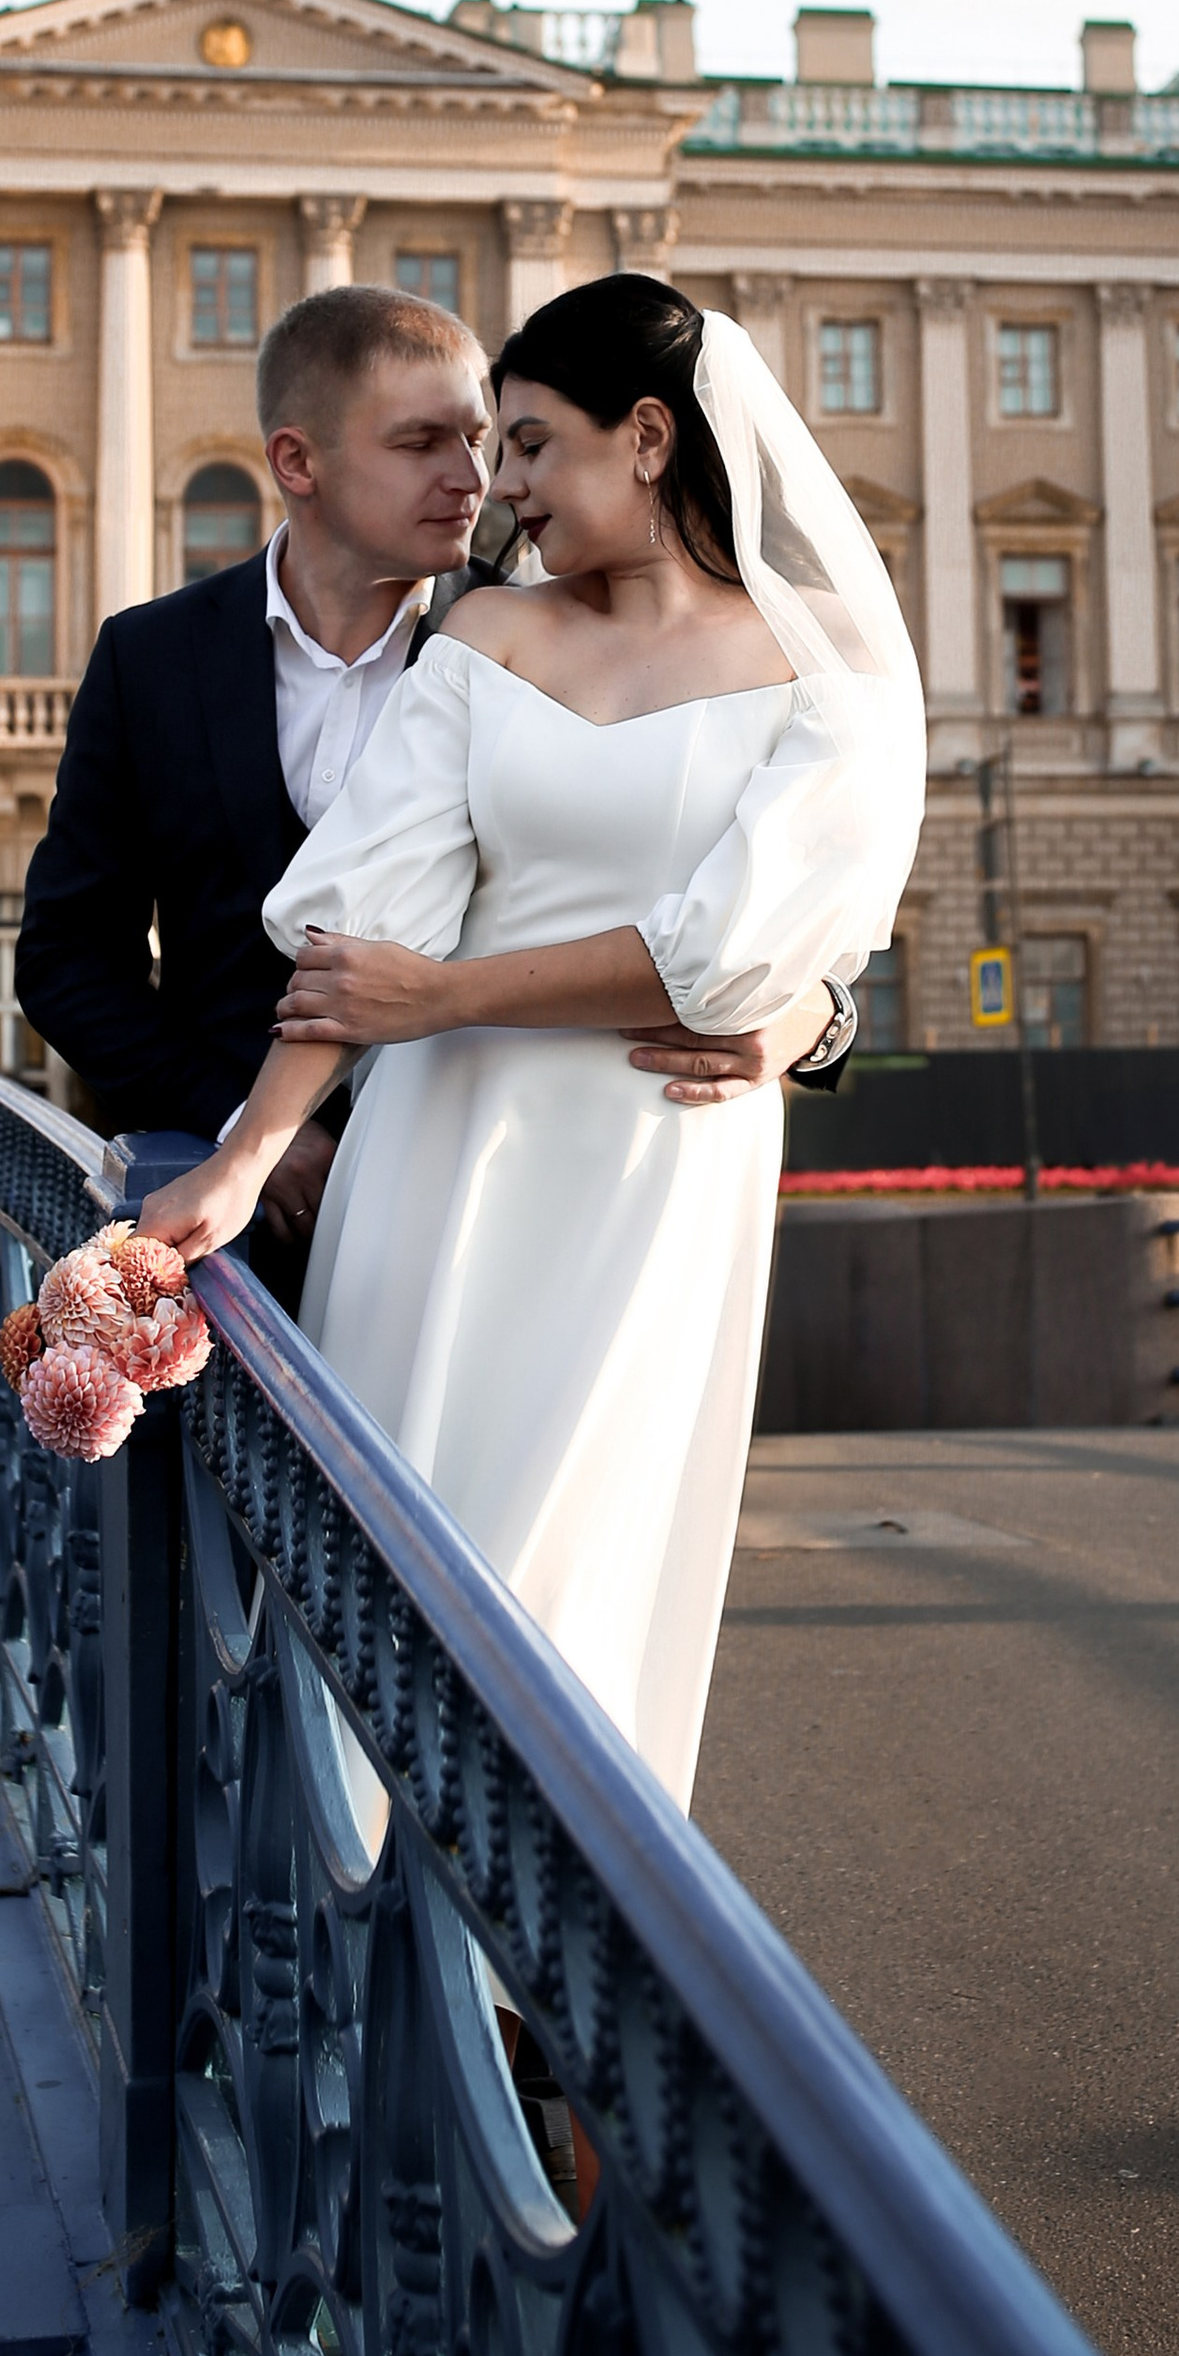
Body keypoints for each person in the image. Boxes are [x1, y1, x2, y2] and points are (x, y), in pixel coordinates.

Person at [144, 275, 924, 1809]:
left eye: (530, 445)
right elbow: (360, 927)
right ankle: (362, 1920)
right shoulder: (489, 631)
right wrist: (245, 1157)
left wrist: (447, 998)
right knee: (391, 1567)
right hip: (442, 1158)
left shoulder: (831, 658)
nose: (500, 488)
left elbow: (720, 960)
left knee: (582, 1574)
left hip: (653, 1176)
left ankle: (535, 1937)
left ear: (649, 437)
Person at [17, 284, 844, 1298]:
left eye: (484, 440)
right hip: (230, 1231)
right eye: (421, 443)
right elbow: (66, 959)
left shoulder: (547, 638)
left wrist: (818, 1014)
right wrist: (247, 1129)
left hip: (505, 1194)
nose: (475, 479)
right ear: (297, 462)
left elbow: (720, 869)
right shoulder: (149, 659)